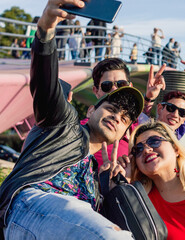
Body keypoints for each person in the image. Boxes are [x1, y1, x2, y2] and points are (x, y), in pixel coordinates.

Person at [0, 1, 144, 239]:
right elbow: (46, 84)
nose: (117, 116)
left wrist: (112, 189)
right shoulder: (63, 125)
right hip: (30, 206)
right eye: (110, 107)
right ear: (89, 111)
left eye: (125, 118)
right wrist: (45, 31)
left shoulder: (98, 176)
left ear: (124, 132)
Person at [140, 54, 185, 139]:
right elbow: (138, 120)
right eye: (171, 108)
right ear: (160, 108)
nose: (175, 115)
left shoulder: (176, 133)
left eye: (182, 112)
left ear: (184, 119)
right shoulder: (142, 131)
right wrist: (149, 98)